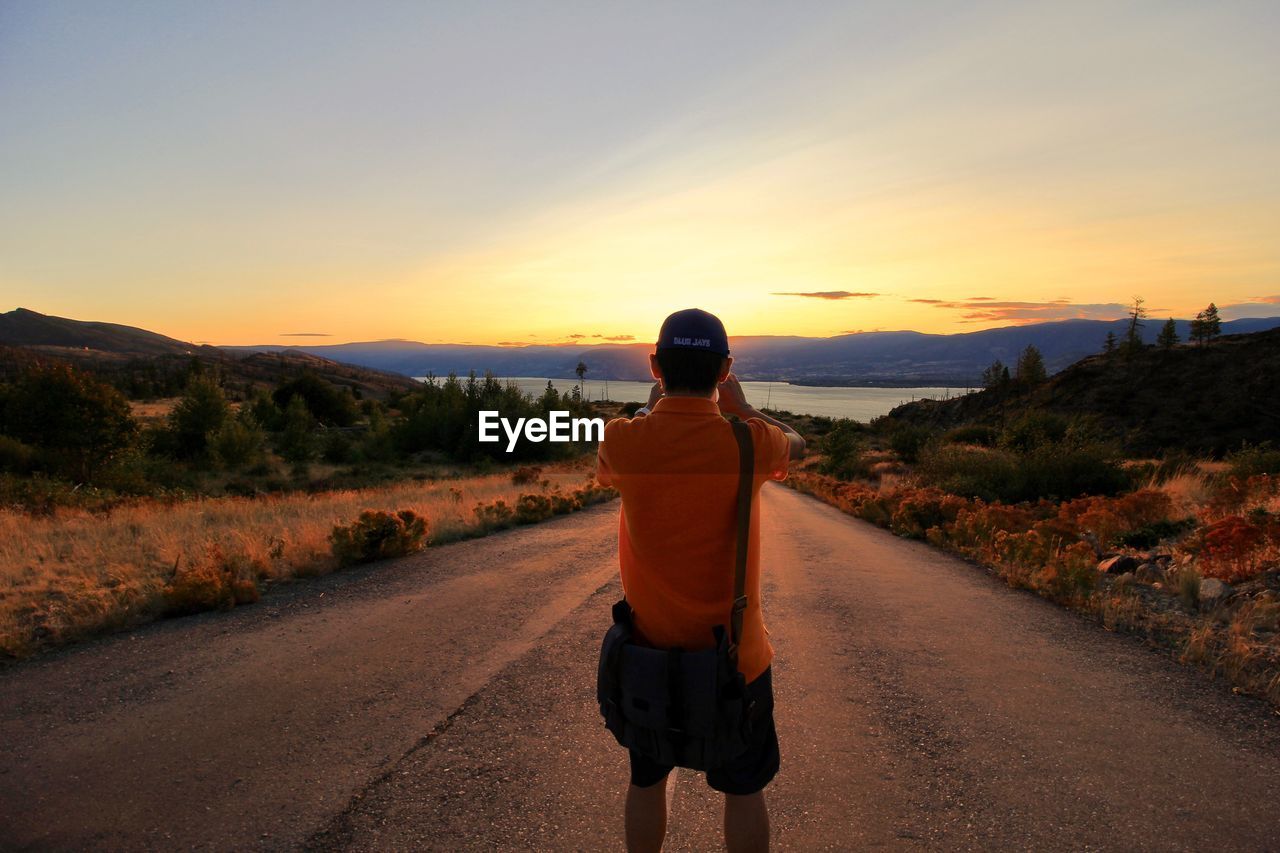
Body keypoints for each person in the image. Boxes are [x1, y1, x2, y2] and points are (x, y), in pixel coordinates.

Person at [595, 308, 806, 853]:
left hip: (649, 658)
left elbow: (628, 445)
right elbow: (799, 446)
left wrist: (653, 406)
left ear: (654, 366)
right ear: (726, 369)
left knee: (645, 781)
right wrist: (743, 408)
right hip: (737, 661)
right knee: (743, 789)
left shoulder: (623, 441)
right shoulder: (748, 443)